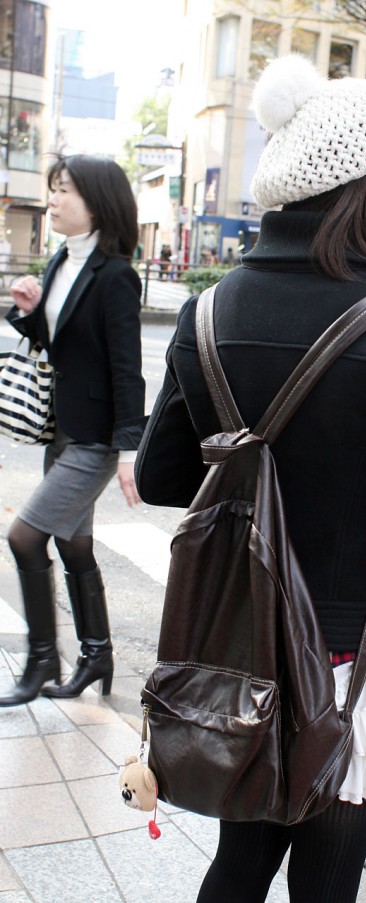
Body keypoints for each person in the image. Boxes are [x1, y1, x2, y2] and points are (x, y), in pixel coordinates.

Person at [135, 55, 366, 903]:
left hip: (241, 648)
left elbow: (161, 475)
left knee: (241, 860)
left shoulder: (210, 309)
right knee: (328, 880)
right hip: (350, 664)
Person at [0, 154, 146, 707]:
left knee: (24, 535)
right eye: (53, 189)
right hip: (59, 430)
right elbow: (57, 345)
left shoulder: (116, 276)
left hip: (93, 438)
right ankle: (97, 655)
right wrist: (29, 312)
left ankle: (40, 663)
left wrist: (128, 449)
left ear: (97, 202)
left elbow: (125, 370)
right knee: (71, 541)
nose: (53, 200)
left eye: (64, 190)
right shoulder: (60, 258)